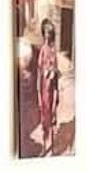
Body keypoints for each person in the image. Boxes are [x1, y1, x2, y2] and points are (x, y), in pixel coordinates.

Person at [34, 18, 61, 155]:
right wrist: (38, 91)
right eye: (45, 33)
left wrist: (54, 72)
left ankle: (51, 145)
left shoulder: (53, 50)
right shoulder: (43, 51)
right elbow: (39, 71)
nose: (47, 36)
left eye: (49, 33)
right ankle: (46, 145)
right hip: (44, 88)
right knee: (45, 118)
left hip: (52, 88)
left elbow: (55, 69)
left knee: (53, 115)